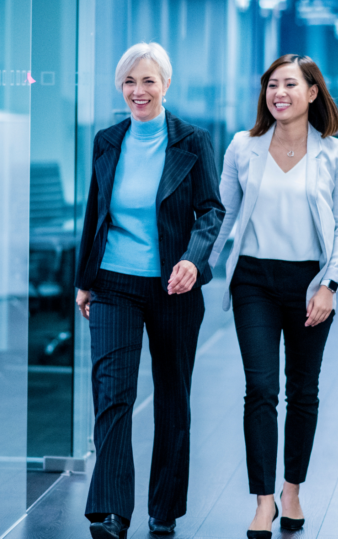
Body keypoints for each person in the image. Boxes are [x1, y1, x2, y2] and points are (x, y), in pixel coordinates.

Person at [74, 42, 224, 539]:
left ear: (165, 85)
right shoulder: (107, 140)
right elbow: (96, 212)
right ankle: (112, 512)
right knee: (112, 396)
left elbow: (211, 212)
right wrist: (84, 280)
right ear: (120, 87)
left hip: (173, 287)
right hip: (114, 283)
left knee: (171, 399)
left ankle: (164, 509)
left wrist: (192, 260)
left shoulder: (193, 141)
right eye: (129, 82)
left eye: (148, 81)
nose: (138, 91)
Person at [208, 54, 338, 539]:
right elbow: (223, 215)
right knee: (261, 389)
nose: (280, 94)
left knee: (304, 391)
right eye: (273, 85)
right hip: (253, 279)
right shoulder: (242, 147)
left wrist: (330, 286)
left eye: (291, 85)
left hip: (310, 283)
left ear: (313, 92)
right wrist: (197, 264)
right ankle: (263, 501)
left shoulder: (335, 154)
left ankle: (291, 489)